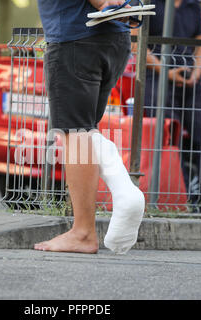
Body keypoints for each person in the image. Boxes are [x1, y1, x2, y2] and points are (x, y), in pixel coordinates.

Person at [34, 0, 145, 254]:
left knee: (76, 133)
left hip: (75, 38)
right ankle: (124, 189)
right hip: (113, 38)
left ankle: (83, 232)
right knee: (87, 130)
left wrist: (105, 2)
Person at [143, 0, 201, 213]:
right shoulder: (147, 3)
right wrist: (166, 71)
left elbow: (199, 44)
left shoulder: (192, 4)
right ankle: (179, 202)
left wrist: (197, 72)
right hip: (156, 80)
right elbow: (137, 43)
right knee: (171, 138)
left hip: (191, 84)